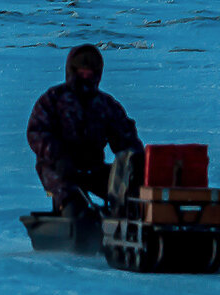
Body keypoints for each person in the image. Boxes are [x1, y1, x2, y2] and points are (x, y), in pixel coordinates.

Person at [27, 44, 143, 216]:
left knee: (133, 199)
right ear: (72, 70)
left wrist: (136, 161)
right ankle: (75, 229)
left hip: (94, 167)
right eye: (81, 72)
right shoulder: (53, 99)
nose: (86, 76)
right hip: (58, 168)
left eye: (90, 73)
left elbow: (126, 138)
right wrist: (57, 155)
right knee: (75, 209)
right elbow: (37, 132)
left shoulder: (105, 104)